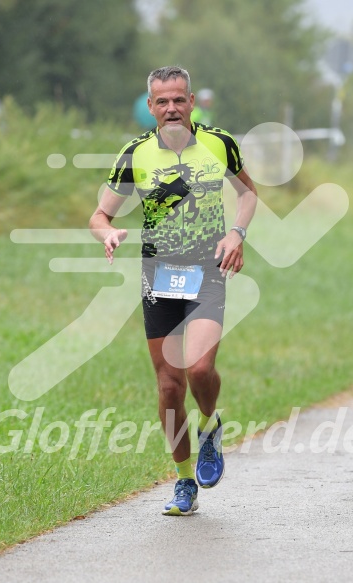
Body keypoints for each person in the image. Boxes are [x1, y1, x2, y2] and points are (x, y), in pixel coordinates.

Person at [89, 66, 257, 516]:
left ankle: (210, 424)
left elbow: (248, 194)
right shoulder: (135, 154)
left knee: (200, 371)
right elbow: (99, 215)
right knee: (168, 386)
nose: (171, 109)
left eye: (179, 100)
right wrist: (107, 232)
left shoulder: (219, 143)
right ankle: (184, 484)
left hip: (207, 267)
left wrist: (237, 233)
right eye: (162, 102)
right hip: (158, 273)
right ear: (150, 107)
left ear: (192, 100)